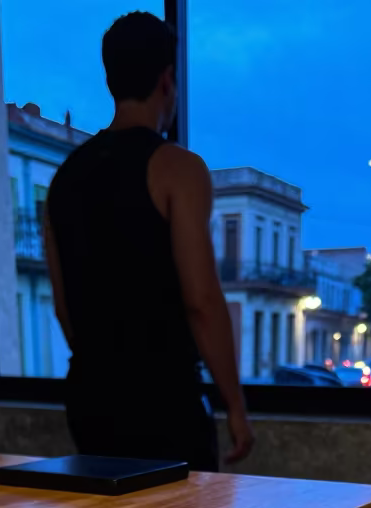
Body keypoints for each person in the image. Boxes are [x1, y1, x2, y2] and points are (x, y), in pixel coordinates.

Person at [45, 11, 254, 471]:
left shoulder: (64, 179)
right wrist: (235, 406)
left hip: (91, 398)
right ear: (167, 79)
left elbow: (63, 308)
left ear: (110, 79)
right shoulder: (177, 169)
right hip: (165, 400)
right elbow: (201, 301)